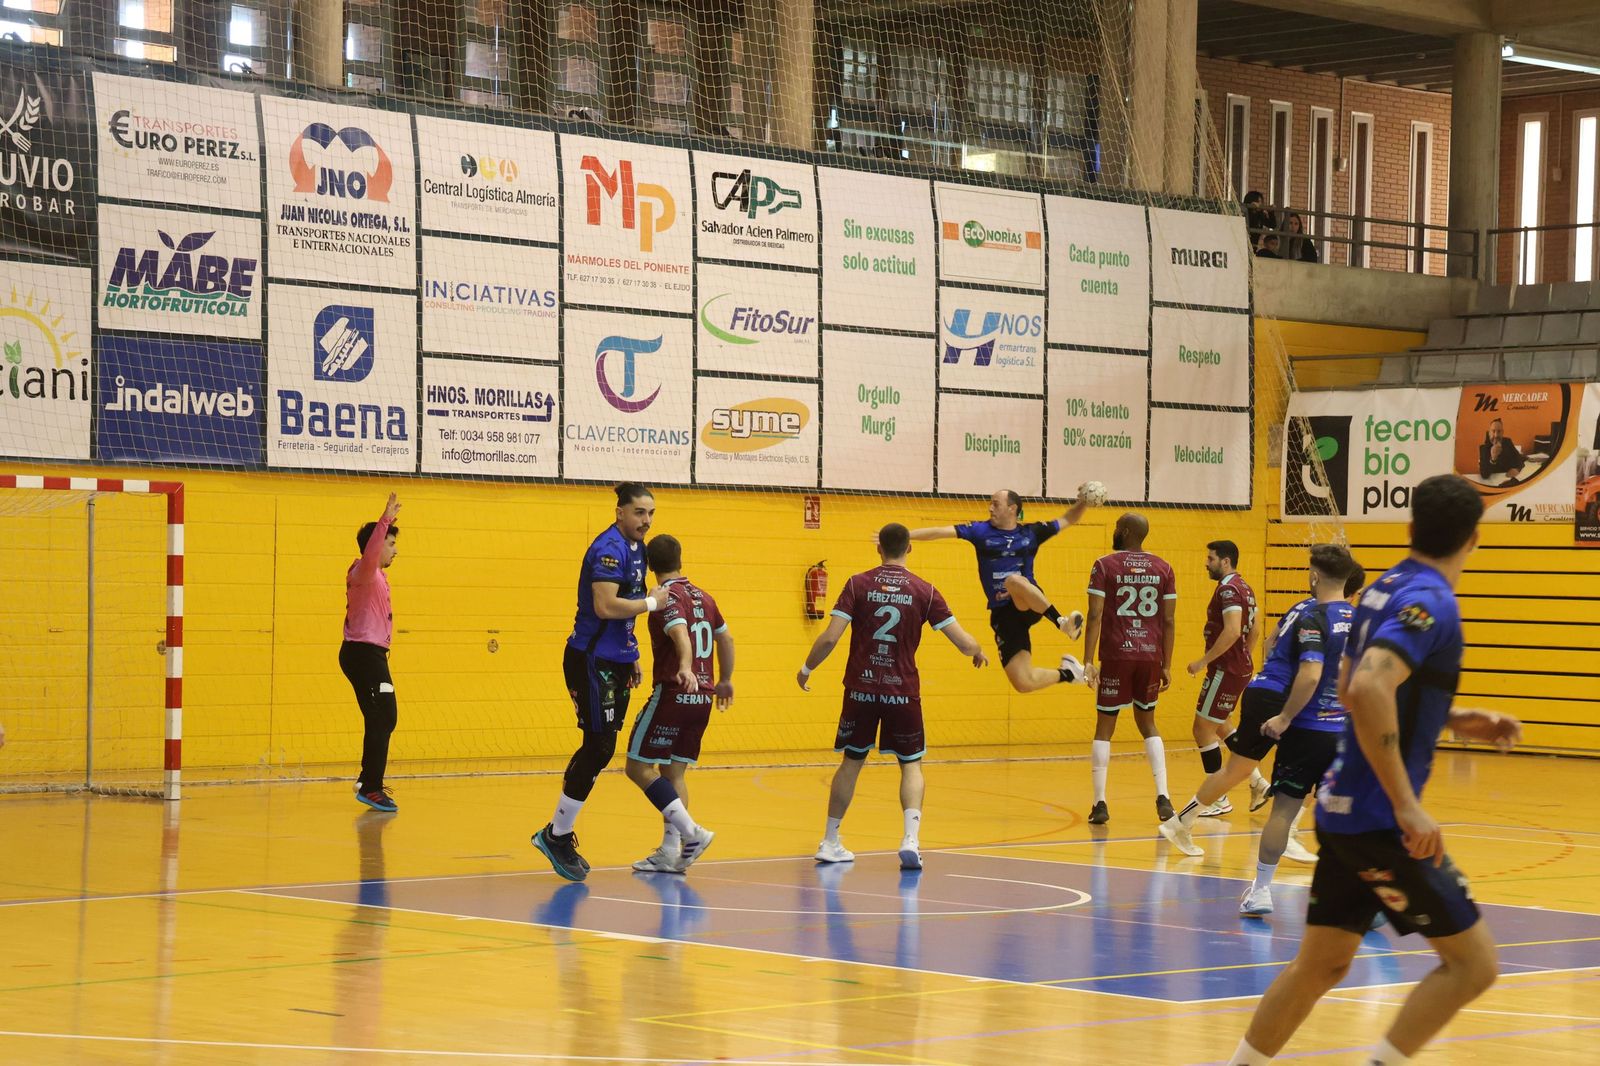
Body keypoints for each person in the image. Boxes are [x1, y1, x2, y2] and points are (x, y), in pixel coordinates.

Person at [1226, 474, 1522, 1066]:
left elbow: (1349, 686)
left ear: (1411, 528)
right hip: (1380, 820)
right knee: (1474, 966)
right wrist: (1406, 803)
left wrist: (1452, 717)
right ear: (1474, 540)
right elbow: (1367, 684)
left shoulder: (1384, 589)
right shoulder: (1433, 601)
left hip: (1341, 811)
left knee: (1322, 965)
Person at [1159, 545, 1359, 909]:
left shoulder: (1302, 607)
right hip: (1286, 697)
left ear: (1317, 577)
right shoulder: (1336, 617)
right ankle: (1276, 832)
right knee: (1265, 764)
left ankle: (1188, 822)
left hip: (1269, 687)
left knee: (1245, 765)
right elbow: (1308, 669)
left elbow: (1268, 642)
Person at [796, 523, 988, 869]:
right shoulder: (925, 591)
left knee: (851, 763)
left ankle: (830, 840)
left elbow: (829, 637)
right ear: (909, 549)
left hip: (861, 689)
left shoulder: (858, 584)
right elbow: (962, 641)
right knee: (911, 764)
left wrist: (807, 668)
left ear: (878, 549)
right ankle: (910, 840)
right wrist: (977, 650)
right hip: (902, 692)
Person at [533, 483, 669, 882]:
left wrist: (633, 652)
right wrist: (651, 603)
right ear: (620, 513)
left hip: (616, 660)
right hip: (590, 661)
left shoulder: (638, 551)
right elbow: (606, 606)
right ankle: (556, 834)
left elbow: (623, 615)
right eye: (640, 513)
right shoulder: (608, 549)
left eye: (651, 513)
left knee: (599, 747)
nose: (646, 521)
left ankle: (556, 832)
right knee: (599, 746)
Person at [906, 487, 1093, 695]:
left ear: (1012, 509)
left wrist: (1084, 502)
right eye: (991, 503)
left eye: (996, 504)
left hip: (1028, 602)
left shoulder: (1031, 533)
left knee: (1014, 581)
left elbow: (1068, 519)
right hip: (1004, 615)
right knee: (1023, 682)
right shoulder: (980, 531)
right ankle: (1070, 672)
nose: (990, 508)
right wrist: (904, 536)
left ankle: (1062, 623)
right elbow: (940, 531)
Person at [626, 534, 732, 874]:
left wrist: (684, 666)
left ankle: (691, 833)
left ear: (650, 565)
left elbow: (680, 633)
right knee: (674, 772)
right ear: (680, 559)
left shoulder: (664, 597)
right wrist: (725, 679)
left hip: (674, 691)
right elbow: (726, 638)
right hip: (703, 696)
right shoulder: (705, 596)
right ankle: (670, 852)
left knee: (637, 766)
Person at [1082, 512, 1177, 825]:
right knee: (1148, 723)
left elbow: (1094, 615)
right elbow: (1168, 620)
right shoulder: (1164, 567)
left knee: (1105, 727)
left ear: (1123, 531)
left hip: (1116, 654)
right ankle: (1163, 797)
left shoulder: (1105, 564)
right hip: (1149, 655)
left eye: (1115, 527)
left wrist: (1088, 660)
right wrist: (1167, 663)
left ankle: (1099, 803)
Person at [1184, 539, 1265, 814]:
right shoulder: (1245, 587)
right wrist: (1244, 657)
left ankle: (1217, 798)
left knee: (1201, 728)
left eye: (1211, 558)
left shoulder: (1229, 589)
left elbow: (1232, 631)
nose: (1206, 563)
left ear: (1225, 561)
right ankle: (1258, 783)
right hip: (1236, 667)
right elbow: (1254, 630)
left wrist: (1202, 661)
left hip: (1224, 669)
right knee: (1221, 724)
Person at [341, 493, 403, 813]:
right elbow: (373, 552)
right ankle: (372, 786)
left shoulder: (378, 577)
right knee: (386, 714)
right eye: (391, 544)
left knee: (379, 716)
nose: (395, 550)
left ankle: (369, 783)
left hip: (369, 656)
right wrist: (385, 520)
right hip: (363, 655)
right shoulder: (363, 571)